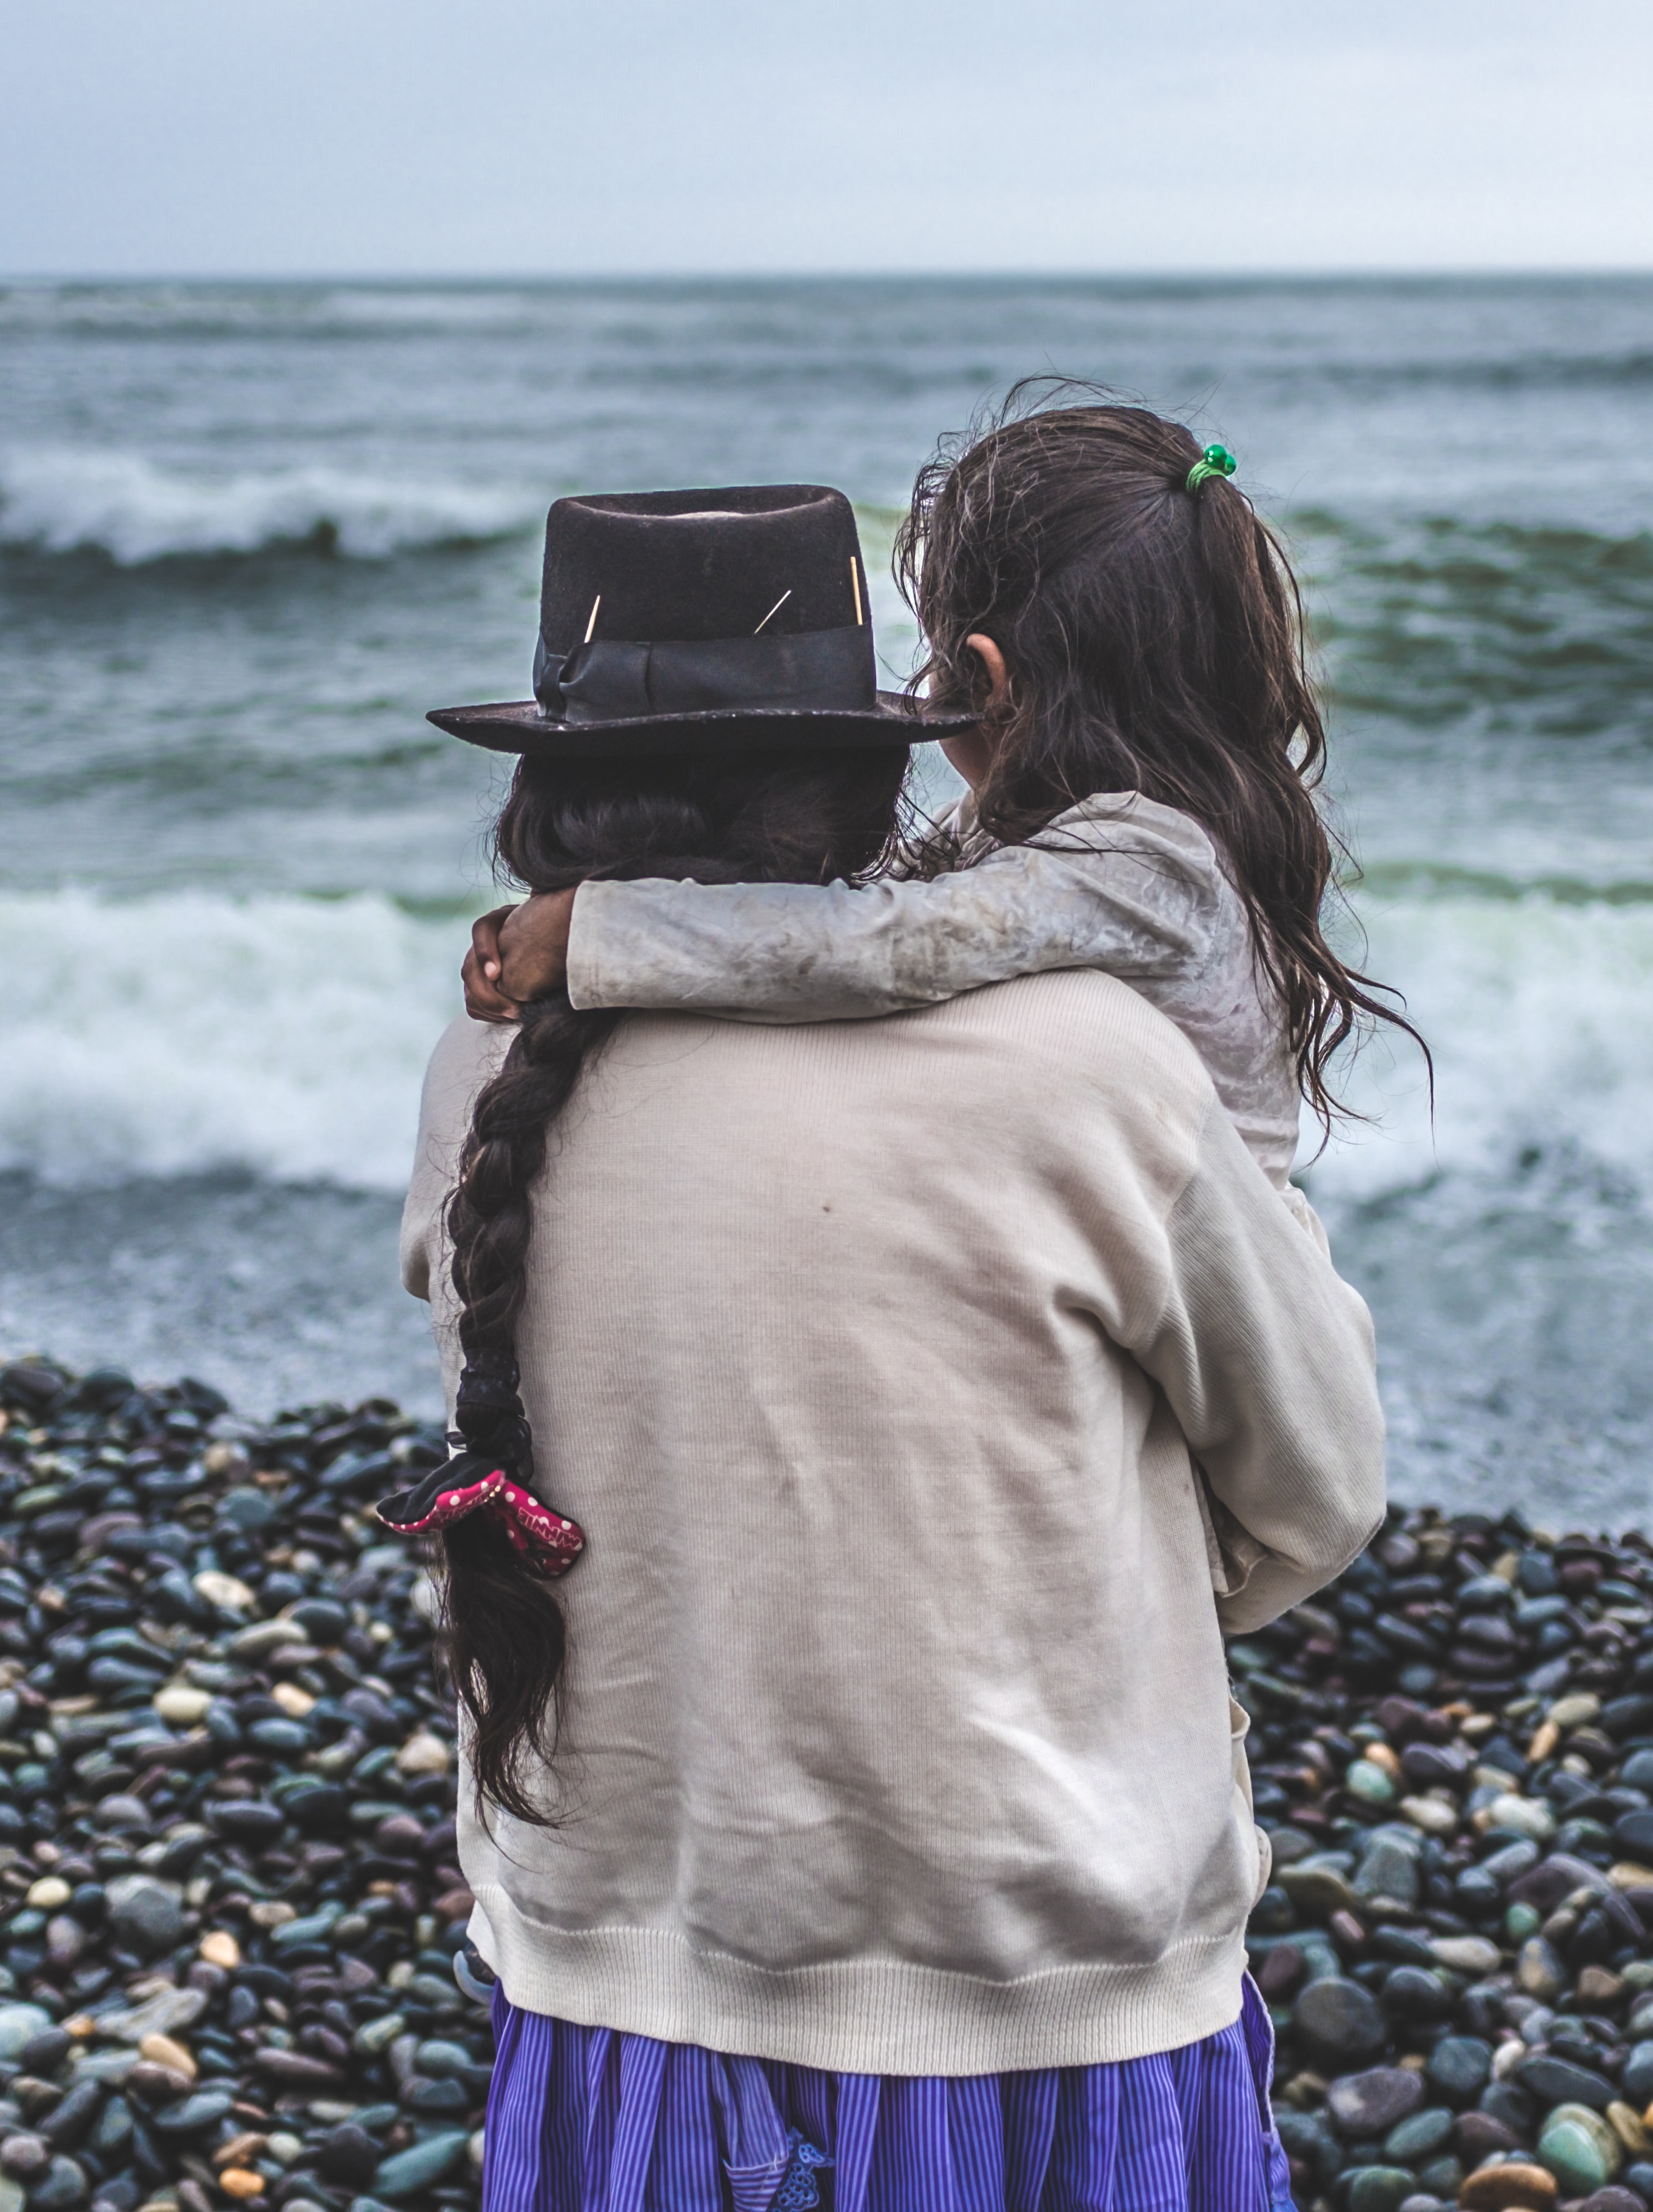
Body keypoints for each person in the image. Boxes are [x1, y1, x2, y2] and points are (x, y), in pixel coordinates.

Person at [381, 482, 1385, 2212]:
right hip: (1036, 1975)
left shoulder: (489, 1066)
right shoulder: (1086, 1063)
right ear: (873, 754)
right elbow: (1318, 1501)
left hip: (620, 1957)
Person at [461, 400, 1417, 1206]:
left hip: (1223, 1294)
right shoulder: (1065, 830)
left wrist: (595, 932)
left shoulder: (1144, 860)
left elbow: (887, 945)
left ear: (987, 677)